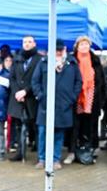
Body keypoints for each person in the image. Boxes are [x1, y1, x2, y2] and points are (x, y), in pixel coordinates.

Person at [31, 39, 82, 169]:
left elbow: (78, 82)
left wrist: (72, 98)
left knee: (59, 134)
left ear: (65, 49)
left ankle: (55, 159)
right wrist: (41, 96)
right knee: (43, 133)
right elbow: (35, 81)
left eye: (61, 50)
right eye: (56, 50)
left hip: (64, 105)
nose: (59, 52)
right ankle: (42, 159)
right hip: (45, 105)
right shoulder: (44, 62)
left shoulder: (72, 63)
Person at [71, 35, 105, 164]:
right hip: (77, 96)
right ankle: (75, 149)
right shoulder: (72, 60)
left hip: (92, 96)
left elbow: (102, 82)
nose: (85, 47)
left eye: (87, 44)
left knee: (90, 124)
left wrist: (101, 99)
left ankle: (90, 149)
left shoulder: (96, 61)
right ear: (77, 47)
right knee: (77, 124)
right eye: (82, 44)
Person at [8, 35, 43, 161]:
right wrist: (17, 92)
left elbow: (39, 79)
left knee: (36, 127)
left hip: (32, 98)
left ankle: (41, 155)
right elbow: (12, 78)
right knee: (18, 127)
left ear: (34, 44)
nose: (27, 44)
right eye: (25, 42)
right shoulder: (17, 59)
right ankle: (20, 153)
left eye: (29, 42)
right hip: (17, 99)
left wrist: (25, 91)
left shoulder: (40, 59)